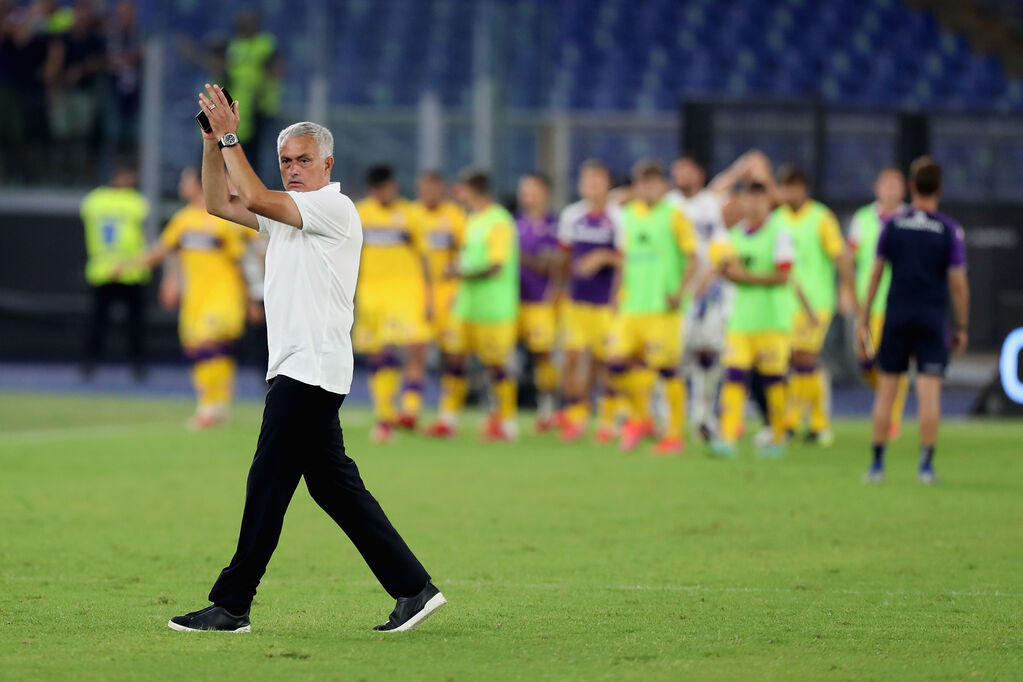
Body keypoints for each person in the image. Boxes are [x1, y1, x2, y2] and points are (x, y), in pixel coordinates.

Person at [169, 85, 443, 634]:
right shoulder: (289, 213)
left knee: (267, 483)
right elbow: (219, 202)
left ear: (328, 165)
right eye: (286, 161)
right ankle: (415, 589)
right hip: (305, 367)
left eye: (303, 160)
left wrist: (229, 137)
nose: (292, 169)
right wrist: (210, 142)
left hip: (308, 370)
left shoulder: (334, 206)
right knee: (332, 485)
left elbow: (250, 192)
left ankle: (232, 604)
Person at [115, 167, 256, 429]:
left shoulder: (224, 218)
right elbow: (165, 251)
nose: (181, 183)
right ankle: (217, 404)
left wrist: (251, 300)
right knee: (198, 349)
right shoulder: (184, 219)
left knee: (209, 345)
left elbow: (241, 261)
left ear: (199, 183)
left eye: (185, 179)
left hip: (223, 296)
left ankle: (210, 406)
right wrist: (133, 266)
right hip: (195, 299)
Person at [859, 157, 969, 484]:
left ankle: (877, 465)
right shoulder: (948, 229)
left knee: (887, 391)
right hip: (932, 317)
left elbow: (876, 274)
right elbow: (959, 284)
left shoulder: (892, 225)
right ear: (940, 189)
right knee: (928, 392)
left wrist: (863, 318)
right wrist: (961, 326)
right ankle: (925, 466)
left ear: (910, 187)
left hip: (896, 315)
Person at [666, 151, 771, 440]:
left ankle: (714, 418)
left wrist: (745, 168)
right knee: (678, 359)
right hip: (682, 293)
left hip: (717, 297)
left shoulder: (717, 212)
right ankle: (678, 417)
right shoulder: (670, 205)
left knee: (718, 361)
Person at [607, 160, 699, 455]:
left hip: (663, 308)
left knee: (667, 370)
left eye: (652, 182)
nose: (647, 188)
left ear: (663, 186)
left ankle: (674, 435)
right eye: (641, 183)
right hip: (633, 305)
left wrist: (680, 292)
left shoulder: (674, 216)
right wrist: (615, 295)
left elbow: (693, 258)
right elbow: (624, 258)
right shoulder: (628, 215)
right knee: (617, 363)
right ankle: (641, 419)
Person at [425, 169, 520, 441]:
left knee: (498, 366)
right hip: (466, 306)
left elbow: (496, 267)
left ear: (474, 190)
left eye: (461, 190)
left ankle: (507, 423)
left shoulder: (498, 221)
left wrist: (459, 274)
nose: (457, 195)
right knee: (454, 360)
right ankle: (448, 420)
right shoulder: (472, 219)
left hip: (494, 309)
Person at [710, 182, 796, 458]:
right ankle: (726, 438)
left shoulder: (780, 234)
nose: (755, 204)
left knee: (773, 380)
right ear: (743, 203)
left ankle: (779, 437)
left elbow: (784, 276)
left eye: (761, 199)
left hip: (772, 320)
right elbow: (725, 270)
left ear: (767, 202)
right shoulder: (732, 236)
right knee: (733, 377)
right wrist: (732, 273)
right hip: (741, 320)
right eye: (750, 199)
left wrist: (746, 277)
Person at [769, 165, 853, 444]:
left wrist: (847, 289)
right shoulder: (777, 218)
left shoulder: (821, 218)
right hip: (784, 303)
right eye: (784, 187)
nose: (788, 192)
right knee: (795, 361)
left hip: (815, 302)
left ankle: (798, 423)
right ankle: (815, 422)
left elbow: (840, 256)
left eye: (793, 187)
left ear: (803, 189)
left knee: (802, 357)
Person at [355, 165, 431, 444]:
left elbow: (424, 258)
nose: (381, 194)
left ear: (393, 186)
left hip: (405, 294)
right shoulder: (361, 213)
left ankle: (409, 410)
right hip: (370, 295)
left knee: (411, 350)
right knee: (379, 355)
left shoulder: (410, 214)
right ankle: (385, 416)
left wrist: (429, 297)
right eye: (376, 190)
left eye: (385, 188)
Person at [556, 160, 624, 443]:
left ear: (606, 184)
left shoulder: (618, 218)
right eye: (587, 181)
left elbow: (626, 259)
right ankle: (577, 415)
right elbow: (563, 256)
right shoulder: (572, 216)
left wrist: (602, 258)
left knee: (604, 363)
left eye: (597, 181)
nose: (591, 186)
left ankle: (607, 419)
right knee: (572, 359)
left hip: (605, 302)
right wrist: (560, 288)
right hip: (577, 301)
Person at [849, 167, 910, 437]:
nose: (890, 189)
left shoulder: (911, 219)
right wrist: (847, 291)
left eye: (896, 184)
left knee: (895, 362)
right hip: (868, 305)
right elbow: (849, 260)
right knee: (865, 362)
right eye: (886, 184)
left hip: (898, 304)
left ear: (904, 189)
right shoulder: (862, 219)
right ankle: (887, 399)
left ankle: (892, 418)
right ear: (877, 188)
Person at [404, 170, 467, 430]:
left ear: (442, 190)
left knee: (453, 355)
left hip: (449, 294)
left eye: (434, 189)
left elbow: (465, 251)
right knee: (416, 352)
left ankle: (448, 415)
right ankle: (411, 410)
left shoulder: (454, 216)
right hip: (418, 294)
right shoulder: (410, 215)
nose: (429, 194)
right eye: (424, 189)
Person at [79, 160, 150, 379]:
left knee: (99, 322)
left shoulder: (93, 200)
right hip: (129, 269)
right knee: (132, 325)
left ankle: (90, 365)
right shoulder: (136, 202)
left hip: (103, 268)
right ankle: (135, 366)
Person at [515, 172, 561, 431]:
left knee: (544, 355)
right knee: (502, 356)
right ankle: (502, 411)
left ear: (545, 192)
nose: (526, 195)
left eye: (531, 190)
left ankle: (547, 409)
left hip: (542, 301)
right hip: (514, 301)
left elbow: (553, 264)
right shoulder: (516, 223)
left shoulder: (555, 225)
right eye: (524, 190)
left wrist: (520, 257)